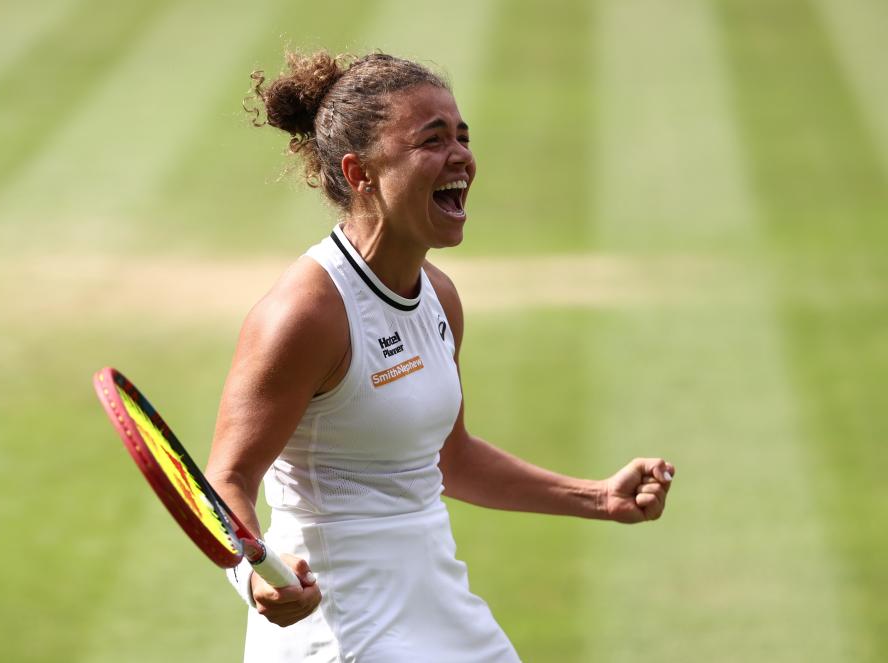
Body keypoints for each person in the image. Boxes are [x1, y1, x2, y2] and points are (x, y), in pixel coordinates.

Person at [205, 50, 675, 663]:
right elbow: (226, 479)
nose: (461, 156)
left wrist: (597, 498)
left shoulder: (439, 298)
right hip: (342, 629)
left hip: (439, 604)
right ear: (360, 172)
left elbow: (449, 458)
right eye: (432, 140)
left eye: (463, 135)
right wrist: (252, 575)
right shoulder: (306, 314)